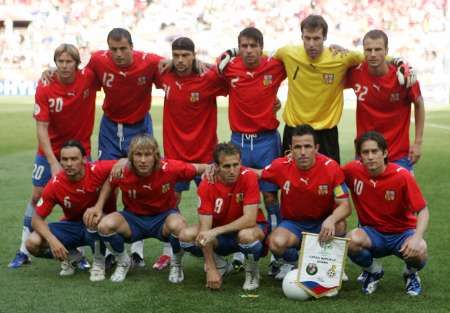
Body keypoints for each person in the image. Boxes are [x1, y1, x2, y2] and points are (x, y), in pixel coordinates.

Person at [274, 15, 415, 163]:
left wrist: (398, 61)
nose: (311, 44)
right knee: (289, 180)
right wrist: (273, 96)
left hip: (326, 133)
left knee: (330, 182)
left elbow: (371, 56)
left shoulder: (341, 57)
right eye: (307, 38)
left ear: (325, 37)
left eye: (316, 38)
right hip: (294, 131)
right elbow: (266, 65)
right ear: (301, 37)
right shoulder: (287, 53)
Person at [9, 44, 98, 268]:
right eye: (60, 61)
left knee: (83, 198)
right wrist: (52, 161)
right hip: (49, 150)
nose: (65, 66)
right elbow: (41, 127)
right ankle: (23, 251)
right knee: (37, 195)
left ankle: (81, 254)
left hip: (80, 152)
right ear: (55, 63)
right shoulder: (46, 84)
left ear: (77, 64)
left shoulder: (88, 77)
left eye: (69, 61)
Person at [84, 134, 208, 283]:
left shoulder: (169, 167)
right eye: (138, 155)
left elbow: (200, 168)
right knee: (104, 225)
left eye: (147, 155)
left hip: (163, 217)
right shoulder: (122, 169)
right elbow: (110, 183)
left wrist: (214, 170)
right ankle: (124, 261)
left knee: (178, 224)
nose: (143, 160)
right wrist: (98, 206)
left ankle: (176, 263)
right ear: (131, 156)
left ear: (156, 155)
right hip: (133, 219)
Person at [153, 37, 227, 269]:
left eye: (186, 55)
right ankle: (170, 251)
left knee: (213, 202)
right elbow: (143, 65)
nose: (180, 60)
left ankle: (221, 249)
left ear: (194, 55)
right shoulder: (164, 73)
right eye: (176, 55)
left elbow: (230, 75)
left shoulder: (209, 77)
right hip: (174, 155)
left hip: (205, 155)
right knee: (170, 202)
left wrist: (208, 63)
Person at [219, 27, 286, 272]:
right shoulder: (230, 66)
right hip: (238, 141)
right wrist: (230, 51)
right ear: (239, 48)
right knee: (236, 195)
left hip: (266, 140)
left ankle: (275, 249)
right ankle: (239, 248)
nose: (249, 51)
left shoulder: (275, 66)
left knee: (270, 196)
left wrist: (275, 103)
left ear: (261, 47)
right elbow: (217, 63)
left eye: (253, 46)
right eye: (243, 46)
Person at [251, 124, 351, 280]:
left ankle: (332, 264)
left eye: (307, 146)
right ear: (291, 149)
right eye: (298, 147)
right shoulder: (281, 166)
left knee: (340, 224)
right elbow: (256, 174)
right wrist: (217, 168)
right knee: (275, 242)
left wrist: (331, 219)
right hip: (294, 225)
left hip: (322, 223)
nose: (303, 152)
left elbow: (345, 205)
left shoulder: (331, 167)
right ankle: (294, 262)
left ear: (316, 148)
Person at [343, 131, 428, 296]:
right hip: (373, 233)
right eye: (365, 152)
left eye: (374, 151)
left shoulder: (402, 176)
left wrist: (417, 238)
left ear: (385, 153)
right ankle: (374, 271)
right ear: (359, 156)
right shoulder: (352, 170)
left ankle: (410, 274)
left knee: (421, 249)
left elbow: (423, 210)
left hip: (402, 233)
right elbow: (330, 177)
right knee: (351, 240)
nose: (370, 156)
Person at [178, 143, 267, 291]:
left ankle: (252, 271)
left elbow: (250, 219)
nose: (233, 171)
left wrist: (216, 231)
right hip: (221, 235)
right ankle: (219, 265)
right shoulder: (207, 184)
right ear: (216, 166)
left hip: (249, 228)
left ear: (240, 163)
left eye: (236, 165)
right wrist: (211, 269)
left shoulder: (248, 177)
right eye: (226, 166)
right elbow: (205, 230)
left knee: (246, 236)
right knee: (186, 236)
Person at [24, 141, 118, 281]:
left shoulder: (97, 169)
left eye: (74, 159)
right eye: (65, 159)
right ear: (60, 161)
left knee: (92, 217)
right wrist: (53, 241)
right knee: (32, 242)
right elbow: (36, 219)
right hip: (72, 228)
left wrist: (122, 163)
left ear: (84, 160)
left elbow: (127, 162)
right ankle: (73, 257)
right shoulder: (55, 184)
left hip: (100, 226)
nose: (69, 163)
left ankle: (99, 264)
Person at [346, 29, 425, 171]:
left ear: (387, 51)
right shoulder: (355, 73)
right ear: (363, 51)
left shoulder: (403, 77)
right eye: (368, 50)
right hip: (366, 153)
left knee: (403, 193)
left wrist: (418, 142)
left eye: (378, 49)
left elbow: (419, 103)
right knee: (364, 194)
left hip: (398, 155)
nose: (373, 54)